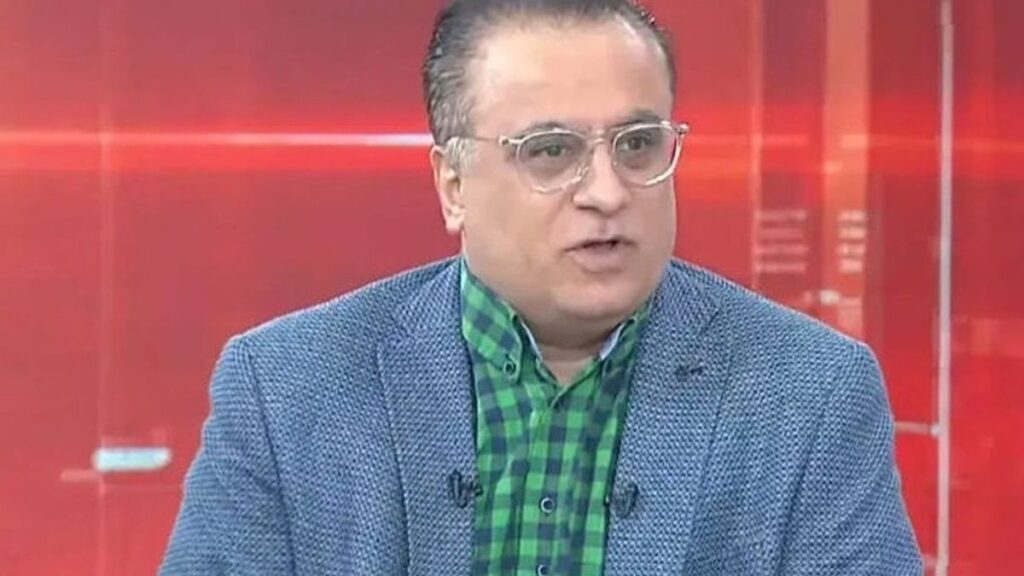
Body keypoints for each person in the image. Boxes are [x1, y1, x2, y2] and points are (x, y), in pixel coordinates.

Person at [161, 0, 923, 574]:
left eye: (637, 144)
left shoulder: (811, 394)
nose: (608, 191)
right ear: (453, 184)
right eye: (551, 151)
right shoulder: (287, 388)